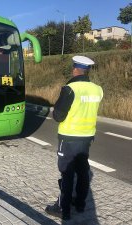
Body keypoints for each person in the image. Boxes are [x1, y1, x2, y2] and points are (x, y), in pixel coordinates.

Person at [45, 56, 103, 221]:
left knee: (67, 173)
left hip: (69, 137)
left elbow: (58, 116)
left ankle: (63, 209)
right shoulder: (97, 89)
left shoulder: (70, 89)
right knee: (83, 171)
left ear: (75, 69)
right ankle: (80, 204)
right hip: (87, 137)